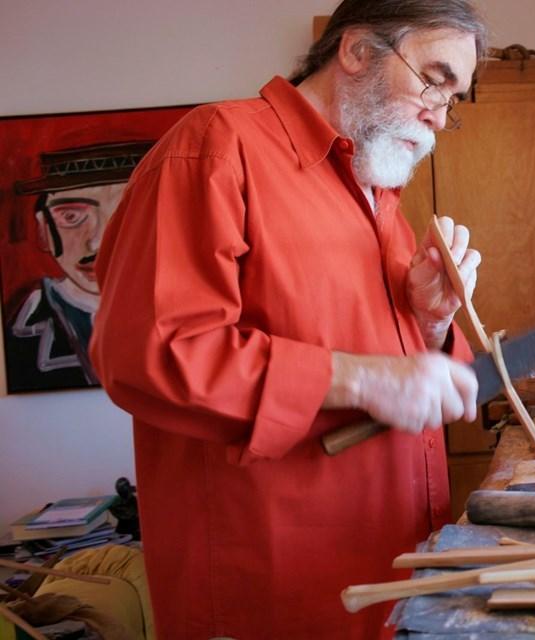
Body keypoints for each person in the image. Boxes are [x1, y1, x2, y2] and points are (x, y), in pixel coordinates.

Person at [89, 1, 487, 638]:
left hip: (398, 578)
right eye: (433, 79)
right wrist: (362, 380)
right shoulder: (216, 148)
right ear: (357, 51)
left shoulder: (376, 188)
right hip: (276, 599)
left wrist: (431, 322)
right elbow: (152, 354)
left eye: (454, 98)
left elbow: (412, 380)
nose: (439, 114)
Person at [9, 142, 152, 391]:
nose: (96, 242)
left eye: (126, 214)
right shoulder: (19, 327)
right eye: (71, 217)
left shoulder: (195, 315)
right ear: (43, 230)